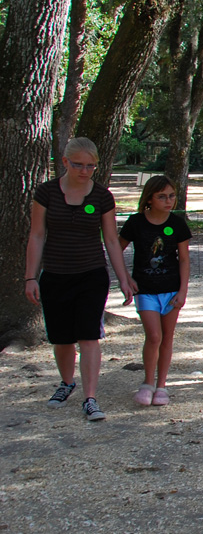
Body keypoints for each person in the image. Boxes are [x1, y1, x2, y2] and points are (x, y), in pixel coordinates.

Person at [24, 137, 135, 421]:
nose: (85, 171)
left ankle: (90, 398)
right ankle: (67, 383)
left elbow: (111, 240)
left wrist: (123, 278)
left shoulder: (101, 196)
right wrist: (30, 277)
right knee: (61, 339)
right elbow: (37, 235)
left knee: (89, 336)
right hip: (56, 275)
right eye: (78, 165)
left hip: (91, 275)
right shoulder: (46, 192)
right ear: (64, 162)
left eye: (90, 166)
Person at [118, 176, 192, 407]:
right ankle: (147, 382)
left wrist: (182, 290)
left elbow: (184, 260)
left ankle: (162, 385)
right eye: (162, 196)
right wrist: (126, 278)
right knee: (154, 336)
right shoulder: (135, 223)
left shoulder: (178, 224)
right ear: (149, 198)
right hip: (145, 290)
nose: (168, 201)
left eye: (171, 196)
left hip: (171, 290)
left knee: (167, 337)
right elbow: (115, 249)